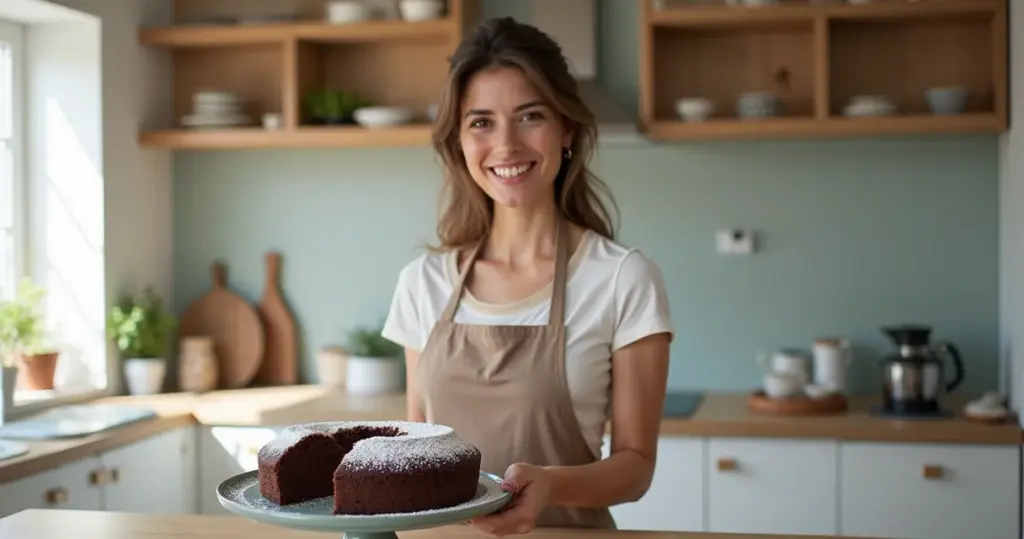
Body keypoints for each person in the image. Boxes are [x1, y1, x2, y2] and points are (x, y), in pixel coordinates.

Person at [381, 16, 673, 537]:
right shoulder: (422, 283)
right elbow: (418, 450)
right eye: (482, 122)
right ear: (460, 142)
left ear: (566, 130)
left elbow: (636, 467)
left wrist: (551, 486)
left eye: (529, 116)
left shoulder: (623, 279)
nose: (507, 145)